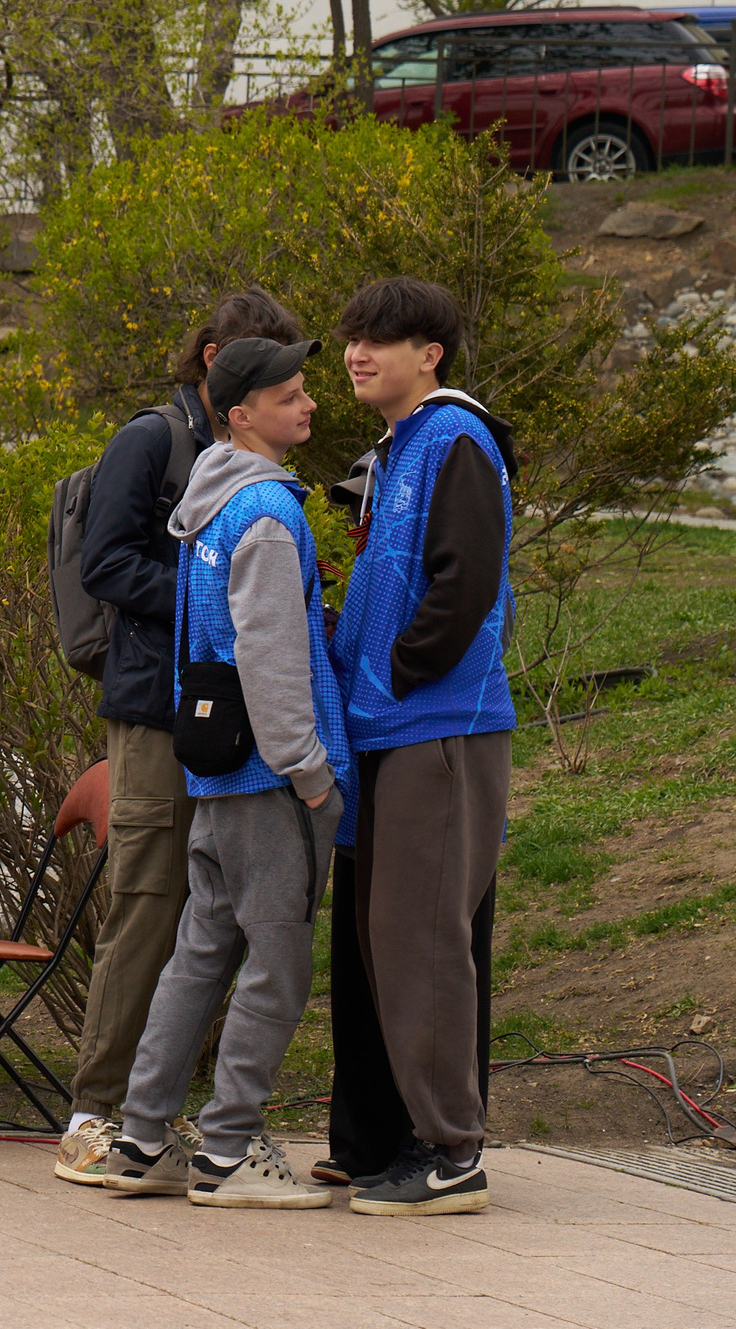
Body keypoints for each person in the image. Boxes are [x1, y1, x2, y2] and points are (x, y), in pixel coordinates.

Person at [56, 288, 307, 1185]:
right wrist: (215, 591)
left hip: (231, 718)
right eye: (269, 370)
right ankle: (94, 1113)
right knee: (149, 901)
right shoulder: (150, 439)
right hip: (158, 713)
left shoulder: (246, 460)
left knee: (211, 919)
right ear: (214, 361)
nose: (293, 391)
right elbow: (107, 563)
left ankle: (154, 1116)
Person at [97, 337, 351, 1209]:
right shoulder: (268, 514)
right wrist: (308, 770)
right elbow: (268, 656)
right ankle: (231, 1149)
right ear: (239, 414)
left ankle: (141, 1139)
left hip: (215, 771)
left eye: (305, 389)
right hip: (269, 782)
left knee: (198, 955)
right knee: (278, 964)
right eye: (289, 396)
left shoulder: (208, 505)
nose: (308, 405)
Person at [328, 278, 515, 1217]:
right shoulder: (402, 444)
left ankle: (452, 1154)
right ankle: (407, 1140)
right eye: (353, 338)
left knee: (423, 939)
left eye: (381, 338)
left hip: (436, 726)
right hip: (390, 727)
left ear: (429, 353)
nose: (357, 353)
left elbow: (466, 580)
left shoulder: (455, 437)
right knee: (387, 939)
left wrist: (401, 669)